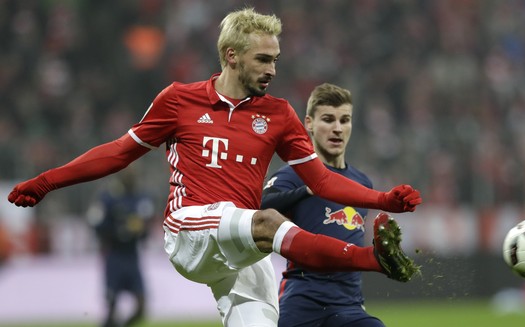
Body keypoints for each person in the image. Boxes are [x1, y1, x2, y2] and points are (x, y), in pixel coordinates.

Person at [7, 7, 422, 327]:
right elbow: (119, 151)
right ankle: (373, 260)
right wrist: (46, 182)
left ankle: (372, 259)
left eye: (276, 59)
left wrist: (383, 198)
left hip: (239, 245)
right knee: (267, 222)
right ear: (232, 56)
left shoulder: (279, 114)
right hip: (188, 230)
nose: (273, 70)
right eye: (263, 59)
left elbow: (323, 180)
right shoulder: (178, 100)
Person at [262, 83, 418, 327]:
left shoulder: (361, 181)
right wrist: (306, 190)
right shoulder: (293, 175)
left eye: (344, 120)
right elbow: (261, 207)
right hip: (303, 298)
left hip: (348, 304)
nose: (337, 128)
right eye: (328, 119)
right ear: (309, 123)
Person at [86, 168, 155, 327]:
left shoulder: (141, 199)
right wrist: (118, 231)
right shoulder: (108, 198)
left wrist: (140, 231)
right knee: (112, 306)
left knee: (141, 306)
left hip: (132, 257)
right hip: (114, 256)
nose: (132, 179)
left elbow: (146, 229)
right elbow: (96, 224)